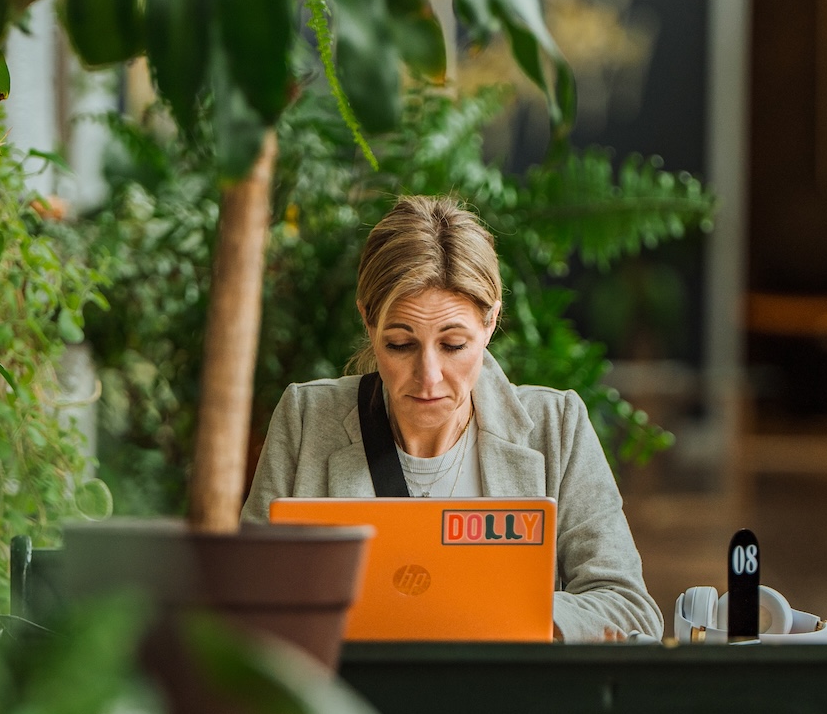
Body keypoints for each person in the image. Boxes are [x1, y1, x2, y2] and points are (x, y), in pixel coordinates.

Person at [243, 195, 664, 642]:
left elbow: (629, 606)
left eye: (453, 345)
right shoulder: (307, 420)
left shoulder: (554, 428)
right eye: (401, 344)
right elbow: (242, 597)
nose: (428, 377)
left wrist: (507, 614)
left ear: (490, 321)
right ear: (367, 320)